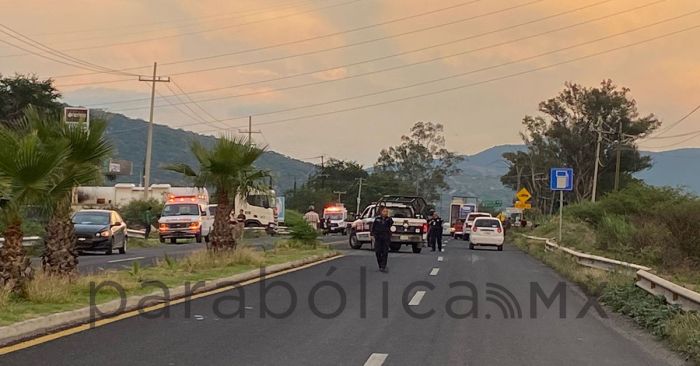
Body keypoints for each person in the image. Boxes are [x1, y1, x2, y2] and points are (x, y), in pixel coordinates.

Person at [371, 206, 393, 273]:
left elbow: (391, 224)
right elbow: (373, 227)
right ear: (381, 212)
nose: (385, 213)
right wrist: (372, 234)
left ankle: (383, 266)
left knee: (385, 252)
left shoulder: (389, 219)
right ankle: (380, 264)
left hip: (386, 237)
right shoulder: (377, 219)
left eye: (386, 211)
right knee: (378, 252)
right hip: (378, 237)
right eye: (384, 211)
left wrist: (388, 218)